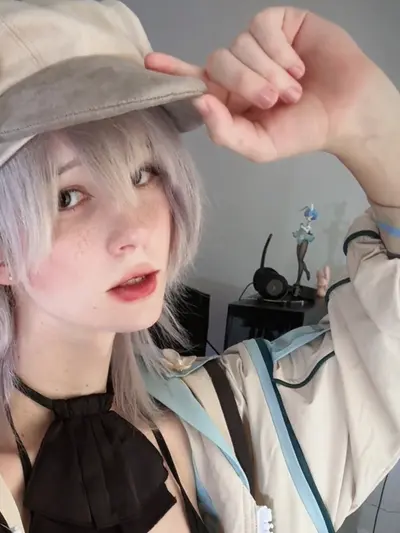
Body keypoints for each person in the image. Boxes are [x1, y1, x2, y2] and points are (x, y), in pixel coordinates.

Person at [0, 1, 398, 532]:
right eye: (67, 196)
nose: (135, 231)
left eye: (143, 173)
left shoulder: (240, 418)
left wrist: (371, 127)